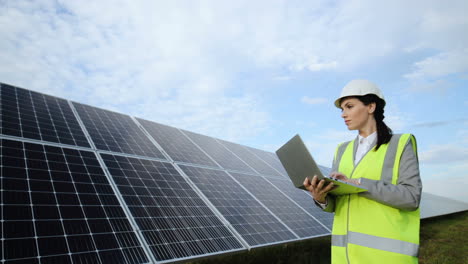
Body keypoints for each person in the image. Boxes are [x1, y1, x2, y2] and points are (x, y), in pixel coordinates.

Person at [303, 80, 422, 264]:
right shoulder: (341, 150)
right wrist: (321, 198)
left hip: (387, 258)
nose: (343, 114)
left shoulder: (400, 143)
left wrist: (359, 183)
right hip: (344, 258)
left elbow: (411, 198)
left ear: (371, 106)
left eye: (349, 107)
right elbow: (338, 205)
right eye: (342, 109)